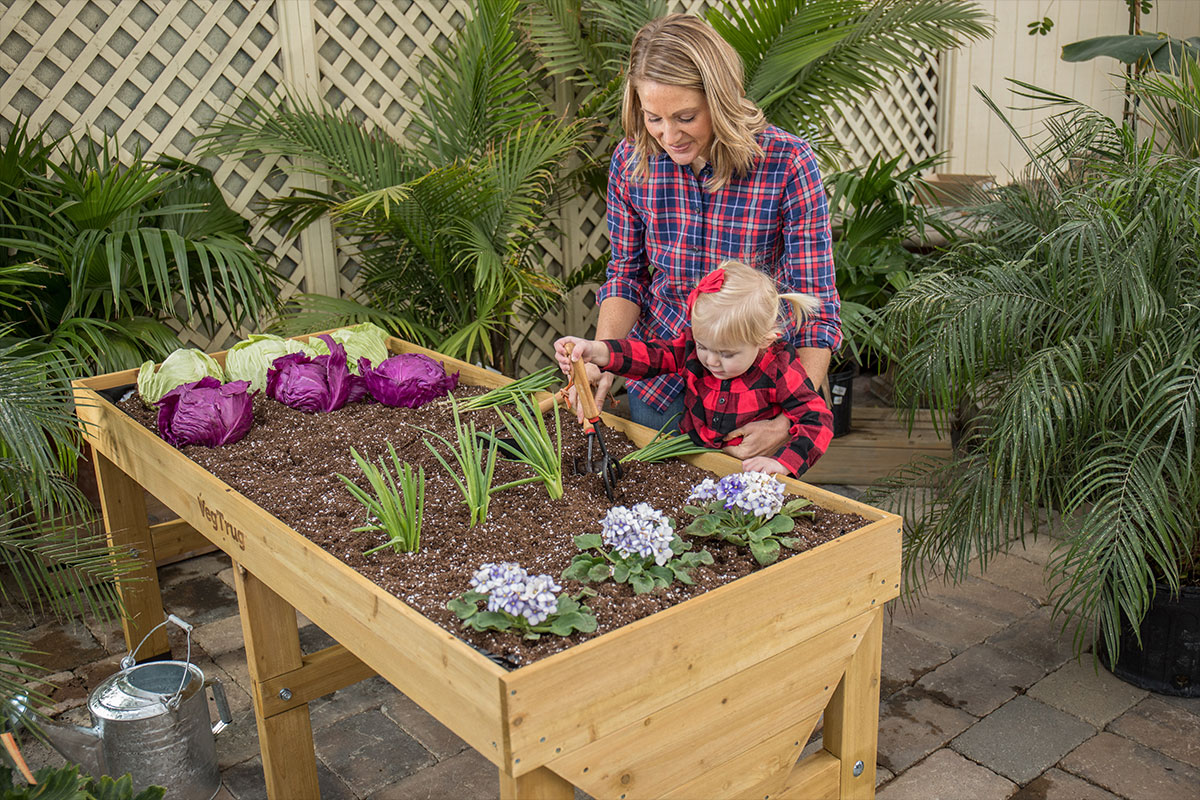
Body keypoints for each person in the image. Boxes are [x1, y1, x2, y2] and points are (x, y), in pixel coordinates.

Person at [585, 13, 840, 462]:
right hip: (660, 389)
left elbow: (814, 304)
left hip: (755, 399)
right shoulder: (631, 161)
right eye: (653, 118)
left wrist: (787, 421)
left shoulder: (787, 163)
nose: (668, 135)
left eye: (686, 117)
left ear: (720, 100)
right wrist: (601, 358)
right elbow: (626, 276)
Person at [556, 262, 834, 477]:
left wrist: (782, 463)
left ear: (764, 340)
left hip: (751, 471)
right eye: (704, 347)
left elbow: (818, 420)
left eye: (727, 354)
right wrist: (597, 351)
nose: (711, 361)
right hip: (697, 461)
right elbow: (650, 355)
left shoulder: (780, 369)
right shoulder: (692, 349)